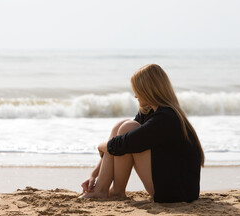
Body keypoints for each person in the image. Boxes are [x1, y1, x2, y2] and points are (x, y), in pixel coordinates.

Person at [79, 64, 204, 203]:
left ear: (148, 90)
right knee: (121, 127)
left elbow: (121, 144)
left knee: (127, 129)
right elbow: (118, 143)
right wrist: (93, 175)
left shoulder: (166, 118)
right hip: (168, 181)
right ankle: (101, 190)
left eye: (137, 90)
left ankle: (115, 192)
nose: (135, 95)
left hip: (177, 192)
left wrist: (100, 146)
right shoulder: (150, 112)